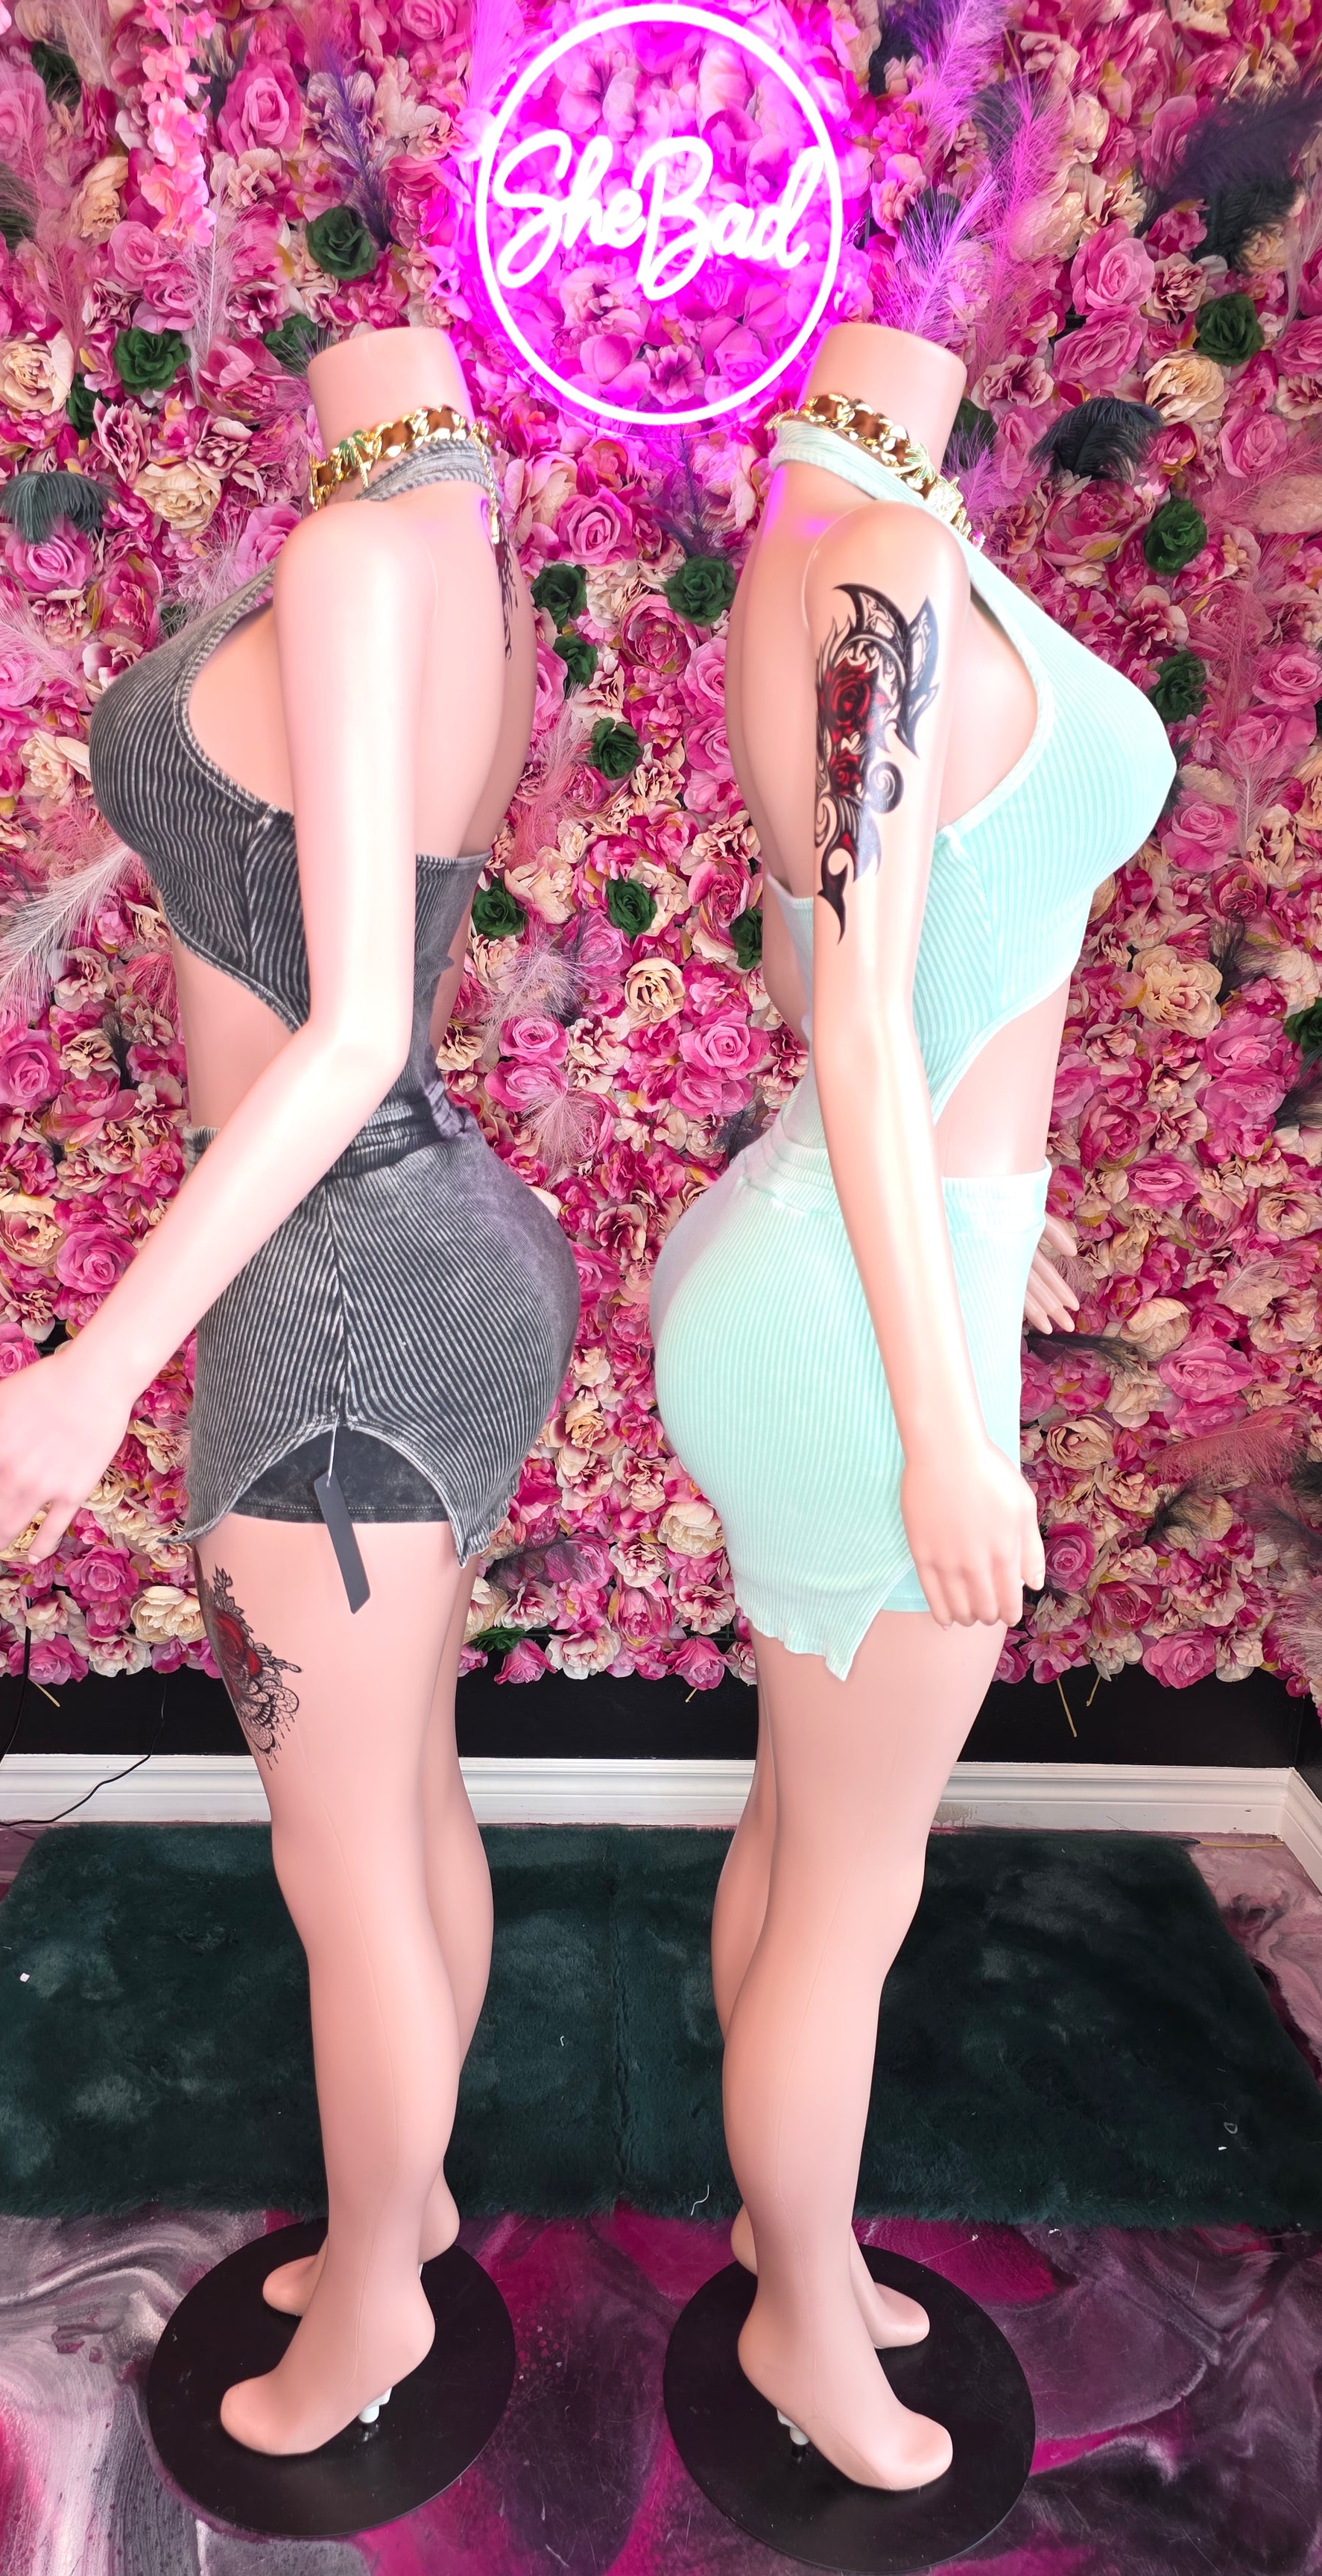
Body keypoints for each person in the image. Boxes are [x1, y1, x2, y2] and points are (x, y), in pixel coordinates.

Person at [0, 323, 579, 2457]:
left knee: (345, 1866)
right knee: (403, 1806)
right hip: (430, 1248)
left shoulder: (358, 556)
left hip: (340, 1296)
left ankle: (381, 2294)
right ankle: (417, 2209)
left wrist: (97, 1369)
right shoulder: (463, 552)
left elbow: (352, 1030)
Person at [650, 318, 1175, 2490]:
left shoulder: (819, 545)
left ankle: (787, 2246)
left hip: (849, 1257)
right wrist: (949, 1419)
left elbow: (836, 971)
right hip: (874, 1316)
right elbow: (856, 1025)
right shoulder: (881, 559)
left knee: (805, 1830)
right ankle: (797, 2320)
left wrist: (995, 1226)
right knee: (849, 1892)